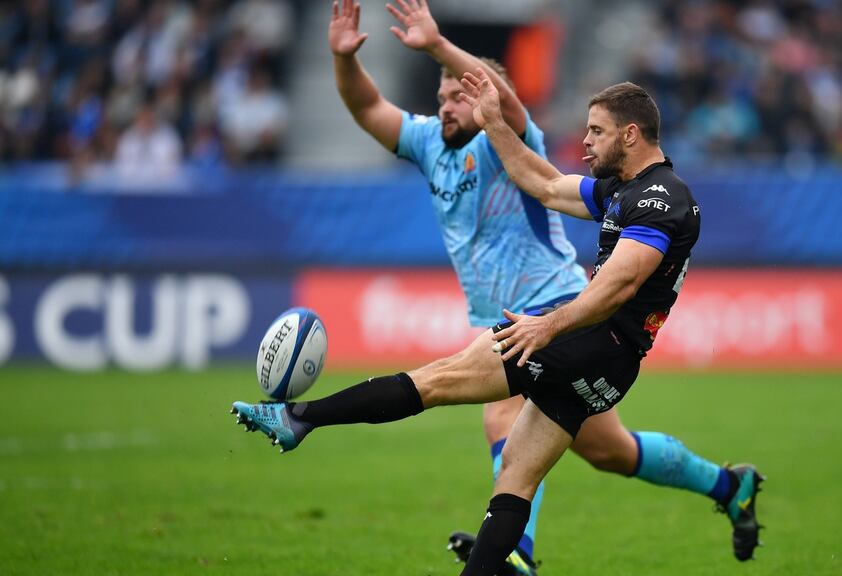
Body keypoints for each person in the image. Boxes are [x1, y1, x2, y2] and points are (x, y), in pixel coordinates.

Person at [232, 0, 764, 572]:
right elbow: (547, 185)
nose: (585, 141)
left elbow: (618, 284)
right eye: (440, 96)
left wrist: (547, 326)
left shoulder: (658, 197)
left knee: (446, 386)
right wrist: (352, 63)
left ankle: (301, 418)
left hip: (562, 317)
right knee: (570, 459)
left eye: (596, 131)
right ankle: (725, 486)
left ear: (629, 134)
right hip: (594, 346)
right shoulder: (609, 187)